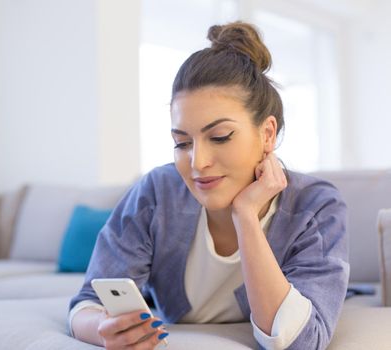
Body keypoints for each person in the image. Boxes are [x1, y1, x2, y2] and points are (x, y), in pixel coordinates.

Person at [68, 21, 349, 350]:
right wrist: (103, 327)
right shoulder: (157, 192)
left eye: (220, 137)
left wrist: (245, 216)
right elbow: (86, 304)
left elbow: (301, 341)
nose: (198, 162)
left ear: (267, 134)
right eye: (182, 143)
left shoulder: (316, 207)